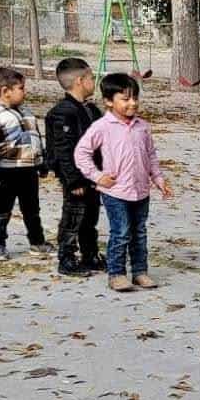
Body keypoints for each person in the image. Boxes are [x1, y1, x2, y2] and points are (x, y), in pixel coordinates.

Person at [74, 73, 173, 292]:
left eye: (135, 98)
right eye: (126, 99)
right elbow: (81, 152)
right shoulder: (102, 127)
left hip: (141, 191)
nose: (133, 103)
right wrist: (98, 176)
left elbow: (151, 155)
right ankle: (116, 273)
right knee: (121, 232)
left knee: (139, 232)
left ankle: (140, 272)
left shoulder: (142, 127)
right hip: (116, 192)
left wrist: (158, 179)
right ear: (109, 101)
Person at [0, 67, 52, 261]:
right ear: (5, 90)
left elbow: (35, 138)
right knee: (2, 209)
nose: (24, 92)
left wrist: (42, 162)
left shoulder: (25, 112)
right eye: (21, 88)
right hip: (5, 171)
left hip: (28, 169)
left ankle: (37, 242)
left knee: (32, 209)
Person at [45, 58, 105, 276]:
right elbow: (63, 150)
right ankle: (67, 257)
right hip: (76, 178)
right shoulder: (62, 113)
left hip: (93, 175)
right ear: (80, 80)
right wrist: (73, 179)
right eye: (90, 77)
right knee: (73, 217)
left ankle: (90, 255)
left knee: (90, 218)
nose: (93, 81)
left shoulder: (90, 110)